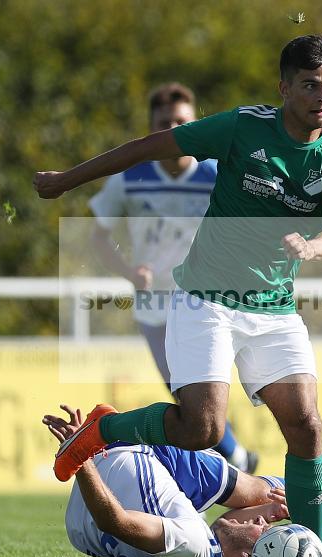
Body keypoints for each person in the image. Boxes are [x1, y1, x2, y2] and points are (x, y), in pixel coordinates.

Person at [35, 35, 322, 543]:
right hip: (206, 300)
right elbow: (148, 148)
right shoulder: (243, 127)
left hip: (273, 307)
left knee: (307, 426)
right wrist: (68, 180)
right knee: (203, 431)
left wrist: (314, 246)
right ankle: (102, 430)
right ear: (284, 88)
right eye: (309, 85)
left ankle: (314, 552)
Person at [87, 82, 257, 474]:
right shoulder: (130, 179)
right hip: (156, 307)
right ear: (152, 127)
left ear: (195, 123)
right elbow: (99, 236)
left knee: (202, 394)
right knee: (186, 396)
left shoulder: (218, 174)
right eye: (165, 123)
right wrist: (128, 271)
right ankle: (237, 457)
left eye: (181, 122)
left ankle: (236, 460)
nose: (174, 130)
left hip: (210, 301)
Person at [42, 405, 322, 557]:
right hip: (90, 511)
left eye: (266, 533)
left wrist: (83, 458)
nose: (263, 525)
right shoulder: (201, 545)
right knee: (279, 496)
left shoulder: (193, 545)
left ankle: (109, 428)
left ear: (253, 556)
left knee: (263, 492)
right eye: (266, 527)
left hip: (128, 461)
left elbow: (118, 522)